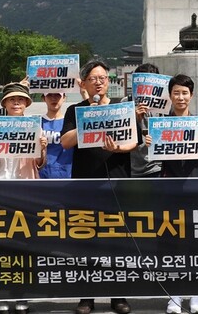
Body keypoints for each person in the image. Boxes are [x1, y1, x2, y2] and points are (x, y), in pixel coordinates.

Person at [61, 60, 136, 314]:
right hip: (85, 184)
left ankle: (119, 296)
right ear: (84, 83)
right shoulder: (75, 110)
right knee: (87, 241)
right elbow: (65, 142)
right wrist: (89, 119)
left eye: (103, 77)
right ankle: (87, 297)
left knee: (118, 242)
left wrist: (119, 148)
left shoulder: (121, 108)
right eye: (93, 78)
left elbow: (133, 141)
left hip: (118, 180)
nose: (99, 82)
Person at [143, 74, 198, 314]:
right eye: (176, 93)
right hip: (169, 189)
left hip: (196, 189)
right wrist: (149, 142)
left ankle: (197, 295)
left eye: (185, 93)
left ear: (191, 96)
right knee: (170, 243)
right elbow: (151, 159)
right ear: (170, 96)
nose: (180, 97)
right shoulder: (160, 124)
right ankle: (174, 295)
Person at [0, 82, 44, 314]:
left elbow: (38, 163)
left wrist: (42, 148)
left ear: (27, 104)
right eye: (12, 99)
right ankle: (0, 292)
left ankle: (21, 294)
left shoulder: (35, 127)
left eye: (20, 100)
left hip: (24, 189)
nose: (16, 103)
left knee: (23, 244)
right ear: (4, 103)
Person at [126, 63, 163, 178]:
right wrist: (135, 118)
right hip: (132, 168)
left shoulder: (165, 106)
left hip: (158, 167)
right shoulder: (125, 104)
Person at [40, 91, 73, 179]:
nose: (53, 98)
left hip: (66, 174)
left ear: (64, 98)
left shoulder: (71, 123)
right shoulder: (37, 123)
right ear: (43, 98)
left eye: (57, 95)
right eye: (49, 95)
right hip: (41, 174)